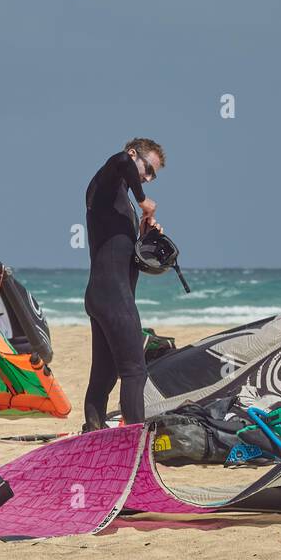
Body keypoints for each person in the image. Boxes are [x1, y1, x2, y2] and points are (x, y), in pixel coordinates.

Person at [82, 137, 165, 432]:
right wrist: (143, 199)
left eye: (153, 176)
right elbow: (120, 161)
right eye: (148, 170)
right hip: (113, 296)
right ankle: (134, 443)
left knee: (105, 376)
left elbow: (123, 253)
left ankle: (92, 432)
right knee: (135, 371)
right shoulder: (107, 183)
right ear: (133, 155)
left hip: (102, 294)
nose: (148, 178)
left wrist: (142, 234)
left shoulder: (118, 202)